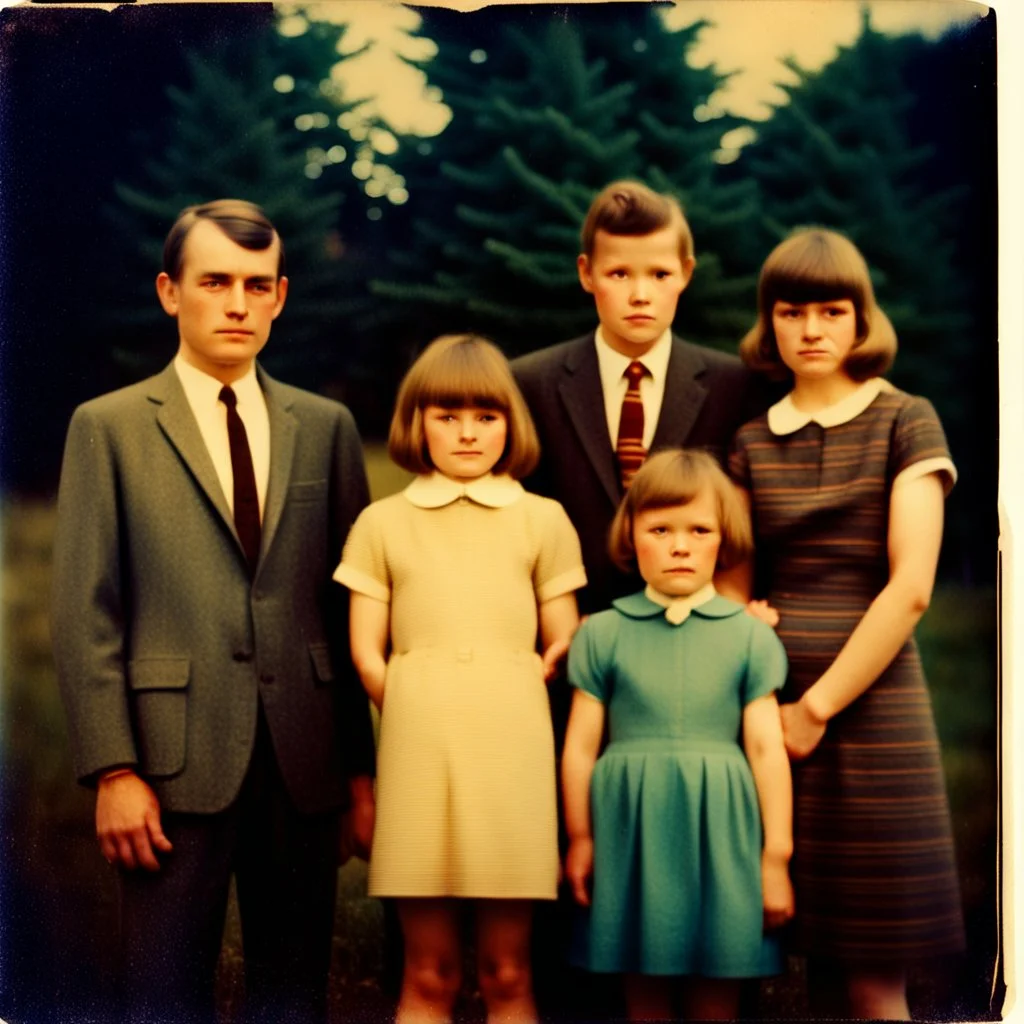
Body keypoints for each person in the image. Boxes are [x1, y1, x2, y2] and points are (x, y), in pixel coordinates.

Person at [51, 199, 376, 1024]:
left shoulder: (326, 426)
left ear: (280, 296)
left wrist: (359, 769)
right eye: (215, 282)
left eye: (256, 285)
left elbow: (349, 609)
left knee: (293, 992)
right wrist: (114, 769)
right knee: (160, 991)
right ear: (170, 292)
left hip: (303, 764)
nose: (237, 302)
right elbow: (87, 614)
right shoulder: (110, 427)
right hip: (167, 762)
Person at [728, 228, 965, 1019]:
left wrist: (816, 708)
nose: (813, 329)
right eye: (792, 312)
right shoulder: (753, 439)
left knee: (873, 978)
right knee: (808, 968)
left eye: (833, 310)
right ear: (771, 324)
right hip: (769, 711)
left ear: (862, 320)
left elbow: (911, 590)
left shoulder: (906, 420)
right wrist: (763, 680)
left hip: (870, 712)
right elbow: (731, 584)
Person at [335, 334, 585, 1023]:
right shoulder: (383, 524)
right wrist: (424, 703)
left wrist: (516, 682)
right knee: (428, 972)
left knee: (508, 972)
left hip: (514, 756)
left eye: (486, 416)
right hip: (421, 755)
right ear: (416, 421)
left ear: (512, 423)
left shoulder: (542, 519)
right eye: (447, 416)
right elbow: (366, 654)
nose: (468, 433)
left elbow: (563, 634)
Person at [561, 448, 794, 1021]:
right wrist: (582, 839)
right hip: (629, 830)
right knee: (643, 996)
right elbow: (580, 748)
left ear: (724, 538)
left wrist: (776, 859)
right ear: (631, 534)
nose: (680, 545)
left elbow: (766, 749)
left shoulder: (749, 636)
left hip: (720, 827)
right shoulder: (602, 633)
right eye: (660, 529)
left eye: (699, 529)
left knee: (718, 990)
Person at [511, 179, 772, 618]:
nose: (640, 295)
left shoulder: (737, 387)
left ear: (686, 273)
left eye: (660, 274)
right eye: (619, 274)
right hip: (567, 636)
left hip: (693, 639)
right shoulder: (528, 383)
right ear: (586, 273)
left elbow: (749, 528)